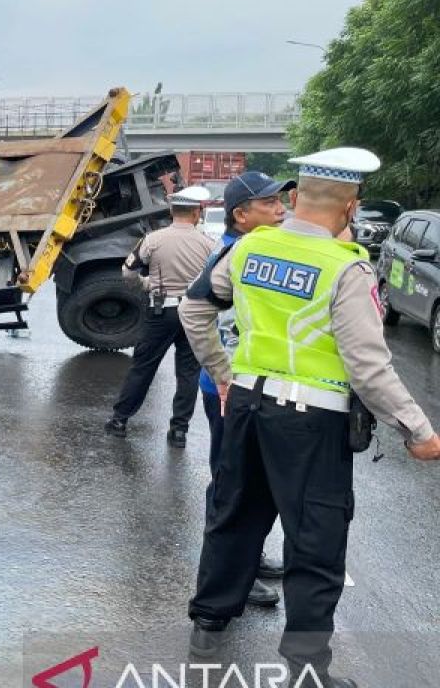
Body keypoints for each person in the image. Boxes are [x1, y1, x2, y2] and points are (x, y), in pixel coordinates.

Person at [179, 148, 440, 686]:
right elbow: (367, 366)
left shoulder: (250, 247)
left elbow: (194, 307)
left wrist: (224, 375)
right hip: (310, 419)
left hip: (246, 406)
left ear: (295, 199)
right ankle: (304, 669)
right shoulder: (346, 266)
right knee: (315, 542)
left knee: (234, 515)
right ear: (351, 208)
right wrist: (418, 429)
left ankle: (207, 625)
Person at [194, 173, 296, 610]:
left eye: (280, 201)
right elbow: (194, 314)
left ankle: (246, 558)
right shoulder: (235, 254)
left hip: (248, 387)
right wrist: (222, 376)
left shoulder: (254, 250)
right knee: (228, 482)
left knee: (248, 480)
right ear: (241, 214)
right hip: (229, 390)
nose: (281, 210)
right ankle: (228, 570)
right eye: (270, 204)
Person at [104, 185, 215, 447]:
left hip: (160, 311)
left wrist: (148, 285)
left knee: (143, 367)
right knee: (188, 373)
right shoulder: (210, 244)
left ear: (171, 210)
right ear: (197, 212)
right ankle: (179, 432)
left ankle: (120, 420)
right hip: (195, 314)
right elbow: (216, 282)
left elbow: (128, 273)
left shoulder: (153, 240)